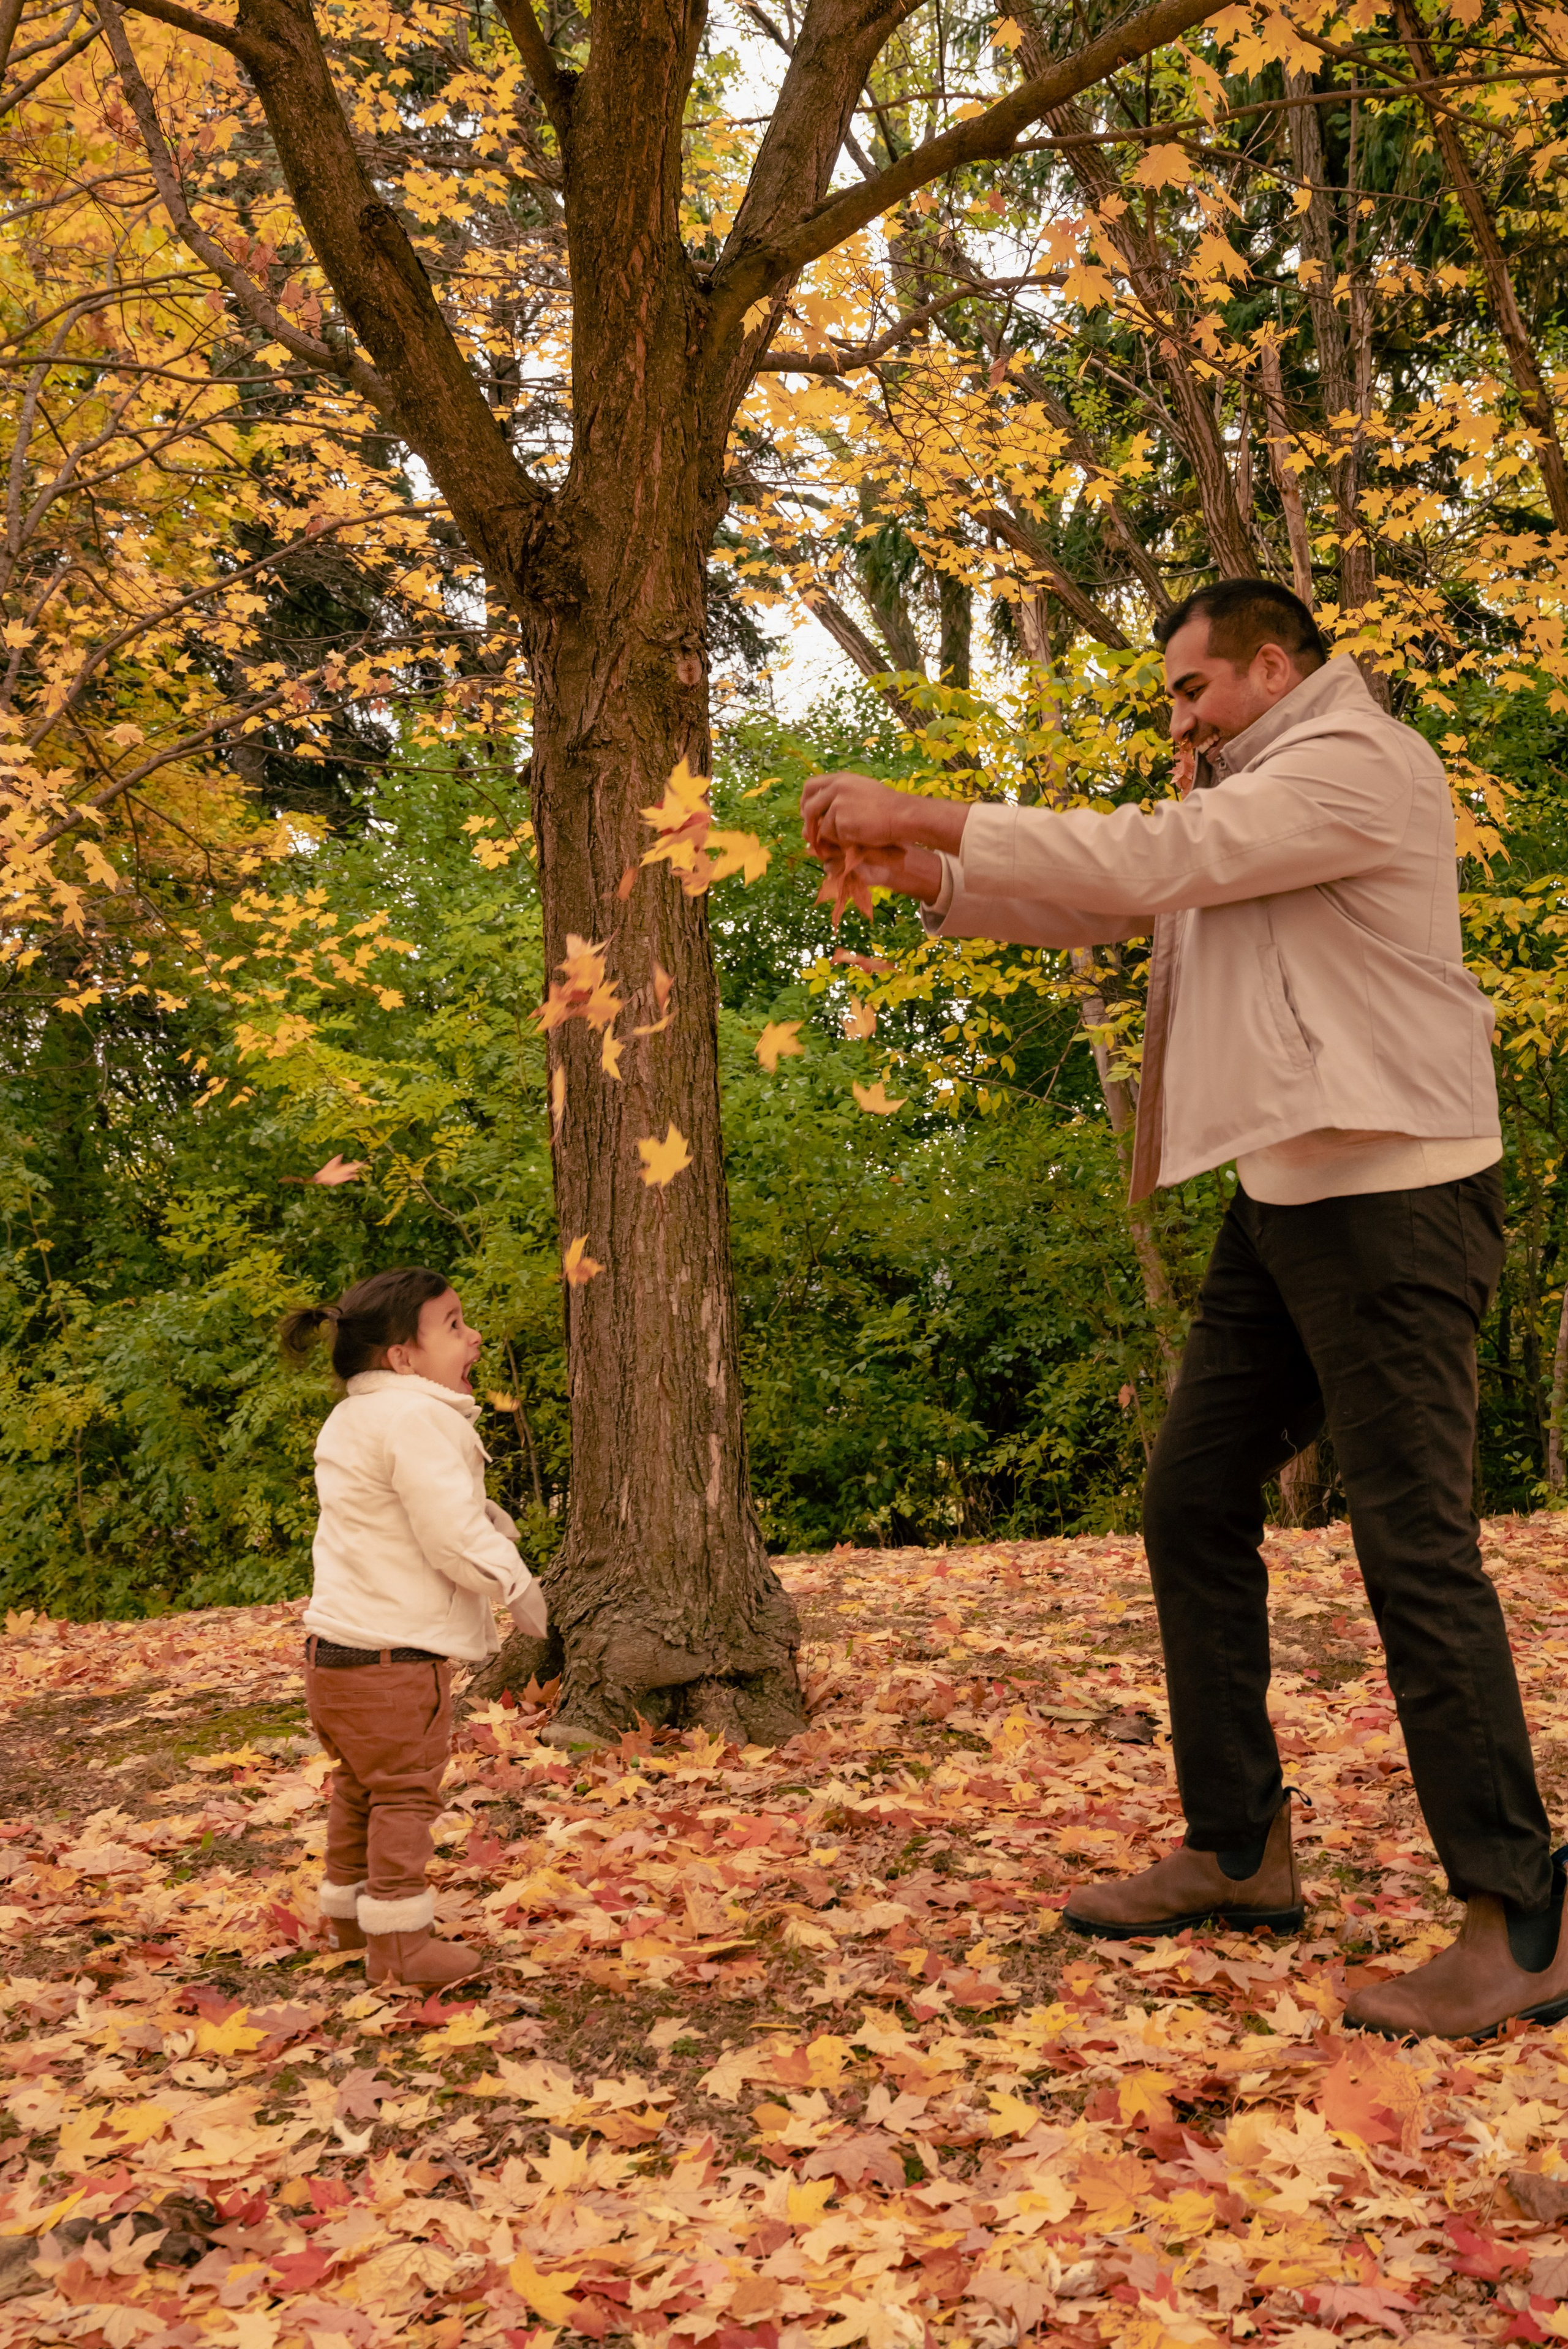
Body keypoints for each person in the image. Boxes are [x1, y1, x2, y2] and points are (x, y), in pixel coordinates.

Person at [801, 578, 1568, 2041]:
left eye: (1189, 690)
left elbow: (1168, 850)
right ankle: (1237, 1844)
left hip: (1391, 1194)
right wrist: (918, 872)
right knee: (1190, 1499)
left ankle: (1514, 1912)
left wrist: (938, 806)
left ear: (1270, 666)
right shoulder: (1253, 783)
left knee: (1414, 1546)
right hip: (1282, 1196)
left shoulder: (1355, 764)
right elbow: (1123, 886)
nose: (1178, 718)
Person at [282, 1267, 548, 1988]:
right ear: (402, 1356)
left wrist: (486, 1517)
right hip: (395, 1663)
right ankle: (400, 1945)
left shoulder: (358, 1416)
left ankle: (346, 1920)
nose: (475, 1335)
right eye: (455, 1325)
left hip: (334, 1655)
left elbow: (395, 1510)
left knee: (361, 1788)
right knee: (403, 1795)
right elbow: (449, 1536)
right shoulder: (418, 1418)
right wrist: (518, 1587)